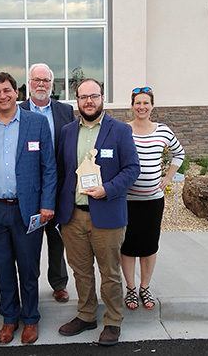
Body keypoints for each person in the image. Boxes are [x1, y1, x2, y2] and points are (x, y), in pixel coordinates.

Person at [55, 78, 140, 346]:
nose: (88, 101)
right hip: (73, 215)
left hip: (107, 213)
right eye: (83, 97)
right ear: (76, 100)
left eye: (94, 96)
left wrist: (108, 189)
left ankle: (113, 321)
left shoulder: (120, 130)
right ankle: (86, 315)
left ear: (102, 98)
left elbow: (132, 169)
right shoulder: (67, 131)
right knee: (80, 271)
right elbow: (59, 172)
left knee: (110, 272)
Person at [0, 72, 56, 345]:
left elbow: (49, 167)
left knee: (29, 267)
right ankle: (9, 318)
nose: (2, 96)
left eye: (6, 90)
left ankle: (31, 318)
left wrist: (46, 204)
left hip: (28, 209)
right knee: (3, 266)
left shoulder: (37, 123)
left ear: (17, 92)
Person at [122, 87, 185, 312]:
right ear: (132, 106)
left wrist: (168, 177)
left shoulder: (163, 131)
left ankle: (144, 286)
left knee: (149, 245)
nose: (141, 107)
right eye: (137, 103)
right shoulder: (123, 130)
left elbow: (180, 153)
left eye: (146, 103)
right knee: (128, 245)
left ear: (152, 106)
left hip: (152, 200)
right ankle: (130, 287)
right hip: (127, 200)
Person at [18, 63, 74, 303]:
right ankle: (30, 285)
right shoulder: (17, 110)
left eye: (46, 80)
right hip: (28, 189)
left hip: (58, 187)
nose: (41, 84)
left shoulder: (65, 111)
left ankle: (59, 283)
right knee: (29, 243)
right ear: (28, 83)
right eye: (36, 80)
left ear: (53, 84)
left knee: (57, 240)